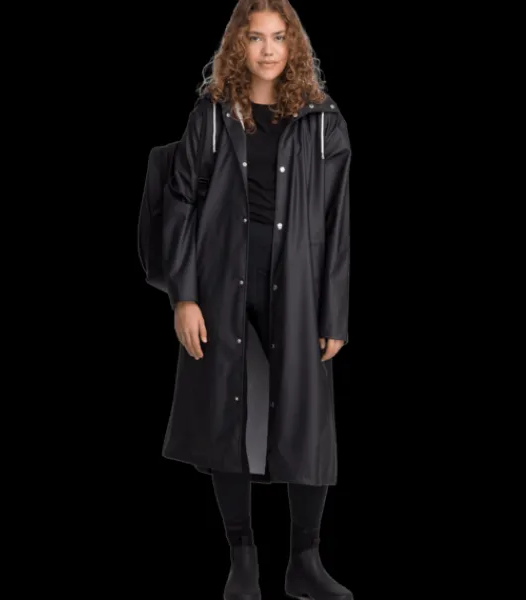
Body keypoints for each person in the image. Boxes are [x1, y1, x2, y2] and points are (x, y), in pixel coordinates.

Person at [160, 1, 352, 598]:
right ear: (236, 46)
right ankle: (242, 558)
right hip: (221, 279)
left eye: (278, 37)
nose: (268, 50)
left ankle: (304, 562)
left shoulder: (321, 121)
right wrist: (184, 297)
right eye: (254, 38)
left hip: (297, 282)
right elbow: (181, 201)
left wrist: (334, 312)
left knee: (306, 417)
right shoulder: (214, 115)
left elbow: (337, 221)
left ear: (294, 45)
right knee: (227, 410)